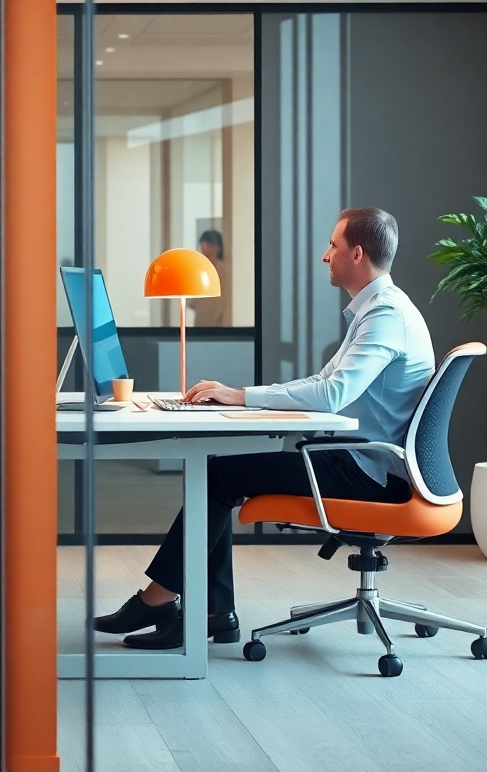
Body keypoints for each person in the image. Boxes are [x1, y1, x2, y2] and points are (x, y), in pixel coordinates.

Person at [94, 206, 435, 650]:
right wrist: (242, 394)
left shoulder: (386, 315)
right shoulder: (378, 310)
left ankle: (162, 601)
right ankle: (208, 612)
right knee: (219, 471)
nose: (324, 255)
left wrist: (239, 396)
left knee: (218, 475)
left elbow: (332, 394)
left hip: (370, 474)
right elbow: (322, 382)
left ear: (357, 254)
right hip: (363, 462)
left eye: (332, 245)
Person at [189, 229, 228, 327]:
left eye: (209, 246)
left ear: (217, 248)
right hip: (200, 323)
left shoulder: (223, 270)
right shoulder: (200, 269)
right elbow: (193, 302)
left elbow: (225, 299)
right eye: (203, 246)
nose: (204, 249)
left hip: (218, 323)